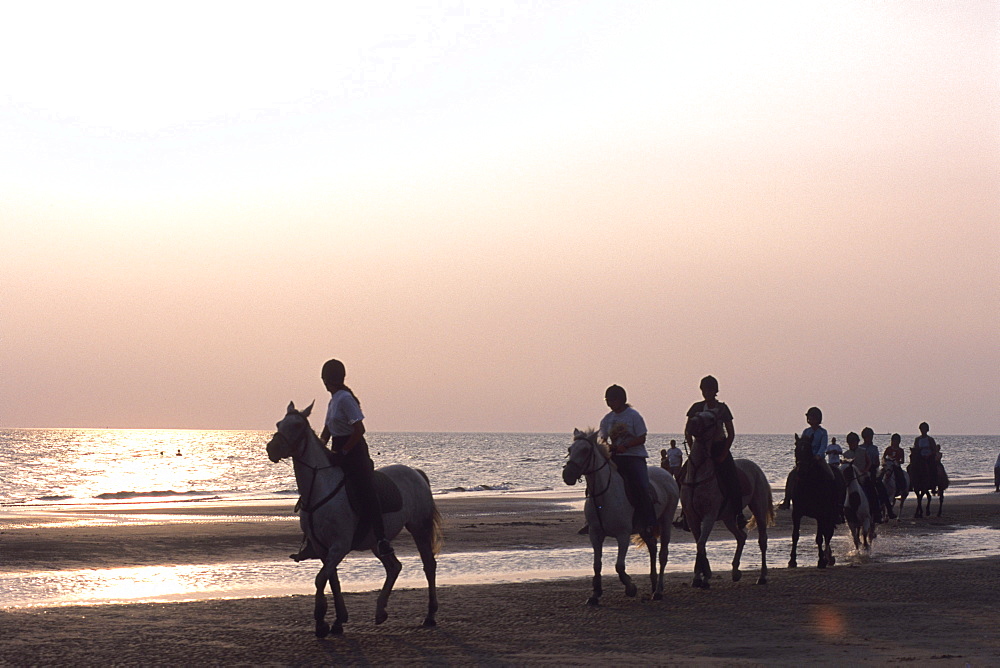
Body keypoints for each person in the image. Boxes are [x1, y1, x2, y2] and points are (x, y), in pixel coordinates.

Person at [291, 359, 393, 561]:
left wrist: (345, 452)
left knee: (365, 490)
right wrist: (321, 445)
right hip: (337, 451)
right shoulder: (333, 400)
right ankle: (312, 542)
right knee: (315, 491)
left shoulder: (346, 399)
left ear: (326, 379)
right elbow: (329, 428)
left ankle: (381, 538)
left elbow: (359, 429)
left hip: (354, 453)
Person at [685, 375, 744, 527]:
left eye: (710, 389)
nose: (706, 392)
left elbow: (730, 433)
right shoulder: (696, 408)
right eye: (704, 389)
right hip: (699, 449)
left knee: (732, 478)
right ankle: (686, 513)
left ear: (715, 391)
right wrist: (692, 450)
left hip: (718, 447)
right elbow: (687, 431)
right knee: (682, 477)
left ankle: (738, 514)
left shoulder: (723, 409)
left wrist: (724, 454)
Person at [599, 384, 655, 532]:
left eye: (612, 400)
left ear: (621, 400)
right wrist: (608, 447)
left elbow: (642, 437)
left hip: (634, 457)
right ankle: (594, 517)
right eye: (607, 400)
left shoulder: (633, 416)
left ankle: (650, 521)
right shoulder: (607, 419)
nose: (609, 403)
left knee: (642, 486)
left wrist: (627, 446)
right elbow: (602, 439)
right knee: (597, 482)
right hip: (615, 456)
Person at [861, 427, 894, 520]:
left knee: (880, 486)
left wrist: (873, 467)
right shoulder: (860, 448)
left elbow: (877, 462)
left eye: (871, 436)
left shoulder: (874, 448)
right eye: (868, 436)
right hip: (861, 470)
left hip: (872, 471)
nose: (870, 438)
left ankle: (888, 509)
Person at [802, 407, 834, 481]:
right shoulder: (806, 432)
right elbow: (803, 445)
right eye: (809, 417)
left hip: (819, 459)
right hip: (807, 459)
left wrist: (818, 455)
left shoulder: (823, 432)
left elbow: (823, 446)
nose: (810, 419)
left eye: (812, 417)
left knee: (831, 475)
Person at [913, 422, 940, 491]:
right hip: (920, 457)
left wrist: (929, 454)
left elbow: (934, 449)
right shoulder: (917, 439)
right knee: (911, 467)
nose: (923, 431)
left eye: (924, 429)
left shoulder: (930, 439)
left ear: (927, 430)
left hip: (929, 456)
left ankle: (934, 484)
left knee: (933, 468)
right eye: (922, 429)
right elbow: (915, 448)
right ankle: (913, 483)